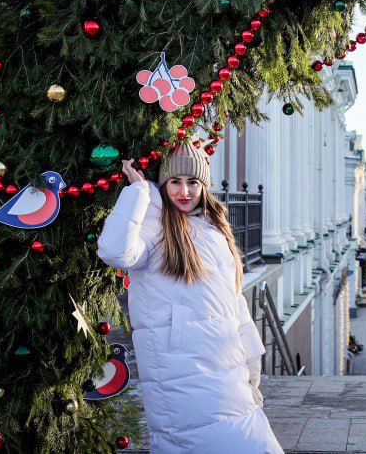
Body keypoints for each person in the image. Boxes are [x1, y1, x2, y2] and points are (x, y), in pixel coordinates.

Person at [97, 144, 282, 453]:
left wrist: (252, 363)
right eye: (175, 182)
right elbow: (116, 252)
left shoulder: (213, 227)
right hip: (179, 371)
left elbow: (234, 304)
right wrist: (138, 193)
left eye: (192, 182)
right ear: (163, 184)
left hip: (226, 367)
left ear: (203, 185)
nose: (184, 191)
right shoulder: (154, 228)